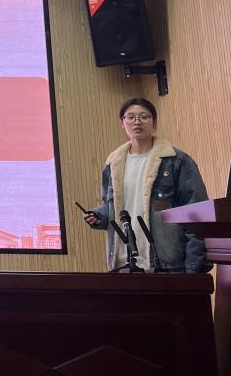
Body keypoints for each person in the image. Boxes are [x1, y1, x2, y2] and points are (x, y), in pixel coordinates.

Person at [83, 97, 211, 273]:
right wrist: (100, 215)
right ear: (122, 123)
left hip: (167, 265)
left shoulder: (176, 161)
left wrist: (193, 267)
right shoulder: (112, 165)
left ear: (154, 123)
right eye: (130, 117)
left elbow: (198, 212)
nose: (137, 122)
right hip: (123, 264)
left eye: (144, 117)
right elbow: (114, 206)